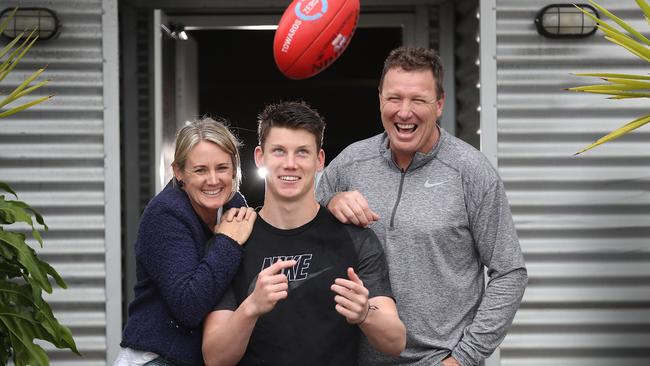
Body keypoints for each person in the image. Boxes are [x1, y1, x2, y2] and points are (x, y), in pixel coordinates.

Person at [315, 46, 528, 366]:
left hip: (439, 359)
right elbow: (298, 223)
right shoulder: (351, 163)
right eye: (394, 98)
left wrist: (463, 358)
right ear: (380, 99)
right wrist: (330, 201)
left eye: (418, 100)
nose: (404, 112)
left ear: (439, 104)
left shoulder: (470, 172)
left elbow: (510, 272)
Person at [202, 101, 406, 366]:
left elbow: (396, 342)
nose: (290, 164)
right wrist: (251, 308)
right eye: (278, 151)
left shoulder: (356, 238)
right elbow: (214, 358)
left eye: (302, 152)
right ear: (260, 157)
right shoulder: (233, 242)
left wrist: (366, 313)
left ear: (319, 160)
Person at [115, 117, 257, 366]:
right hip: (156, 358)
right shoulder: (165, 214)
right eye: (200, 170)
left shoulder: (234, 205)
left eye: (222, 168)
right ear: (179, 173)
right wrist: (226, 241)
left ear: (234, 168)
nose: (213, 180)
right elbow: (188, 306)